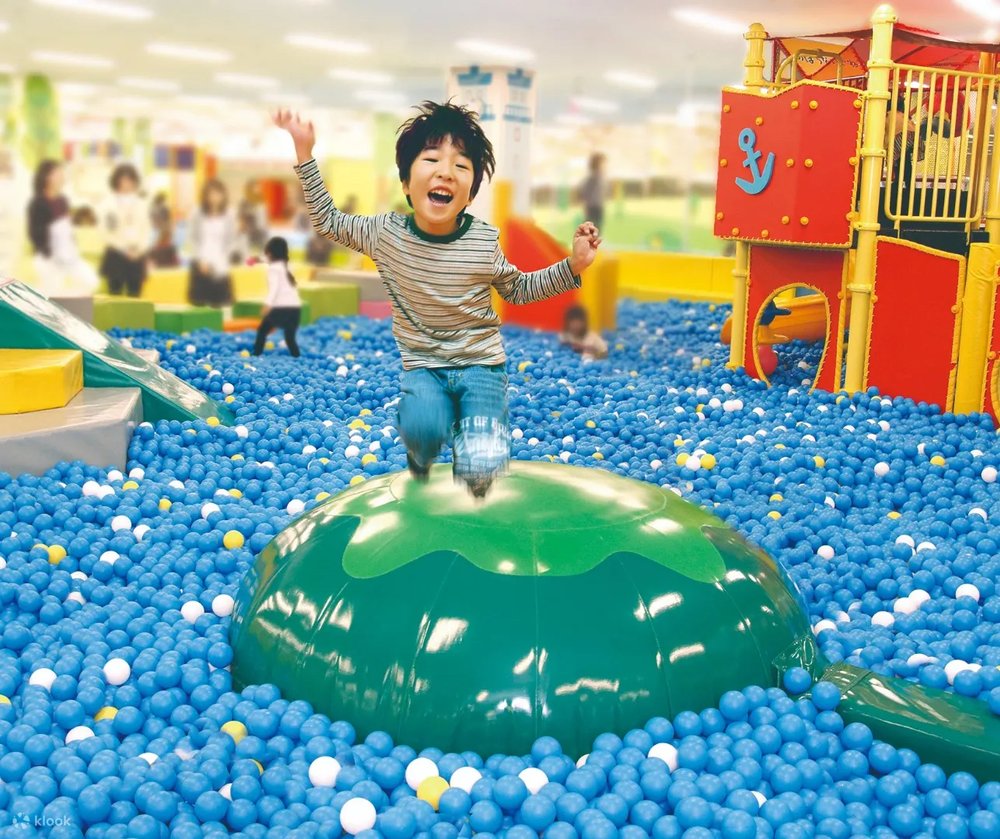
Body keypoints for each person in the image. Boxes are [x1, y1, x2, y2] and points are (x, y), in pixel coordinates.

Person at [274, 100, 601, 496]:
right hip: (424, 365)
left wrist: (573, 265)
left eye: (461, 166)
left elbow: (519, 289)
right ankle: (421, 451)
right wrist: (305, 152)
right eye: (431, 160)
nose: (445, 171)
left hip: (481, 364)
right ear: (406, 183)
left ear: (470, 194)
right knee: (423, 428)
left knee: (482, 464)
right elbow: (328, 221)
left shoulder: (483, 242)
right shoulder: (385, 234)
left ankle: (476, 477)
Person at [26, 159, 99, 295]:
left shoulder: (62, 201)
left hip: (68, 254)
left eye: (61, 173)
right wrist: (50, 252)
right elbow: (35, 234)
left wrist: (71, 247)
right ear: (47, 177)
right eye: (57, 173)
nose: (61, 176)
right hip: (48, 257)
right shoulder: (38, 203)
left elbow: (67, 228)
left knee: (90, 280)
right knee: (50, 293)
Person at [99, 163, 151, 297]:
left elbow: (146, 230)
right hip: (116, 256)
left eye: (130, 180)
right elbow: (106, 233)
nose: (127, 184)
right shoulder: (108, 205)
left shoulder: (142, 204)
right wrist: (124, 250)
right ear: (116, 182)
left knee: (135, 298)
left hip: (137, 256)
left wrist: (139, 250)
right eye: (123, 180)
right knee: (114, 298)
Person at [187, 179, 236, 306]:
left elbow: (230, 240)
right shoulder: (197, 212)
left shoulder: (229, 214)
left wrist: (224, 260)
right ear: (206, 195)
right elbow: (192, 238)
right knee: (199, 303)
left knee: (222, 303)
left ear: (223, 195)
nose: (214, 197)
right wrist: (200, 261)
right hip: (201, 263)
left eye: (218, 193)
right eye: (211, 193)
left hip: (221, 264)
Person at [253, 236, 302, 358]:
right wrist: (259, 260)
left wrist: (267, 305)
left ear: (270, 252)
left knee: (262, 331)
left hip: (281, 307)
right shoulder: (288, 265)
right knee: (290, 338)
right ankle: (297, 356)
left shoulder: (273, 269)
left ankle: (256, 355)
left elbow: (274, 290)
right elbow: (274, 261)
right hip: (295, 308)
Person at [578, 152, 607, 229]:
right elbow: (584, 192)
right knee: (592, 228)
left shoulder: (599, 176)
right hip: (593, 207)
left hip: (597, 206)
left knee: (596, 228)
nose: (604, 166)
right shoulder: (593, 177)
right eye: (602, 163)